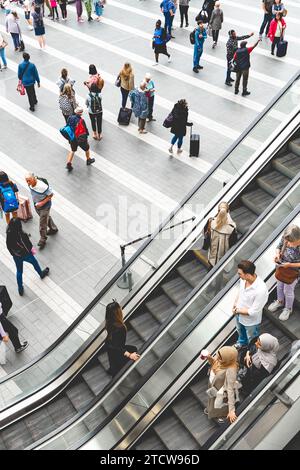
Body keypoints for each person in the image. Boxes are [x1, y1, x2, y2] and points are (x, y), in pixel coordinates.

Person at [6, 218, 49, 296]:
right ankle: (41, 274)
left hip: (17, 256)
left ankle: (20, 288)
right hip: (26, 254)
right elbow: (26, 245)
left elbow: (8, 246)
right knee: (35, 262)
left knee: (19, 271)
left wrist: (14, 254)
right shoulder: (20, 234)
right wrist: (30, 249)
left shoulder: (9, 234)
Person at [232, 260, 269, 348]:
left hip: (250, 321)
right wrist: (235, 303)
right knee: (240, 331)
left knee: (252, 338)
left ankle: (251, 351)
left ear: (247, 275)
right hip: (239, 314)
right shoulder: (243, 280)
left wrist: (237, 311)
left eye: (240, 273)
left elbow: (253, 311)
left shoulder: (261, 290)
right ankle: (242, 343)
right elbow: (240, 292)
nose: (238, 275)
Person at [268, 224, 300, 321]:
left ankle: (288, 308)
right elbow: (279, 246)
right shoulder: (286, 237)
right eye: (288, 241)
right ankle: (280, 301)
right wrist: (277, 254)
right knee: (279, 285)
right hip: (282, 267)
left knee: (288, 290)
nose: (289, 244)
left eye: (291, 242)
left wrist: (289, 265)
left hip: (294, 271)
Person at [105, 300, 140, 376]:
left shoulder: (109, 322)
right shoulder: (120, 328)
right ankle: (116, 373)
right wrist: (129, 355)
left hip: (110, 347)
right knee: (133, 350)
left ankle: (112, 369)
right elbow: (117, 347)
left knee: (132, 349)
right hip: (116, 349)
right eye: (120, 309)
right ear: (117, 313)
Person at [205, 346, 238, 424]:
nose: (217, 358)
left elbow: (230, 391)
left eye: (220, 358)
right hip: (214, 384)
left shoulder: (230, 371)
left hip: (220, 389)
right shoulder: (223, 359)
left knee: (219, 403)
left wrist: (231, 410)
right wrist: (209, 358)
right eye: (217, 356)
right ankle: (211, 409)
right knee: (212, 399)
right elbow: (215, 363)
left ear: (226, 359)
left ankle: (221, 414)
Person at [25, 173, 58, 249]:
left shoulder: (42, 186)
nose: (28, 183)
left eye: (29, 181)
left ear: (34, 179)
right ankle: (53, 228)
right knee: (45, 217)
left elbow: (51, 194)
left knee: (42, 223)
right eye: (26, 181)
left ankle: (43, 239)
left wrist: (42, 203)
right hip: (37, 204)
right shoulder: (30, 183)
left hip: (44, 206)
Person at [207, 201, 236, 267]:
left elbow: (207, 236)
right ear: (228, 211)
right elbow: (233, 243)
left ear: (218, 210)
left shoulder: (211, 221)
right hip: (223, 260)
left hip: (211, 258)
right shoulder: (231, 228)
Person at [66, 107, 95, 171]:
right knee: (87, 148)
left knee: (73, 150)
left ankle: (69, 163)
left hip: (73, 137)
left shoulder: (70, 117)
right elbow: (85, 130)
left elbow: (67, 125)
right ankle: (88, 160)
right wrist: (86, 136)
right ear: (81, 114)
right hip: (80, 138)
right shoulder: (81, 120)